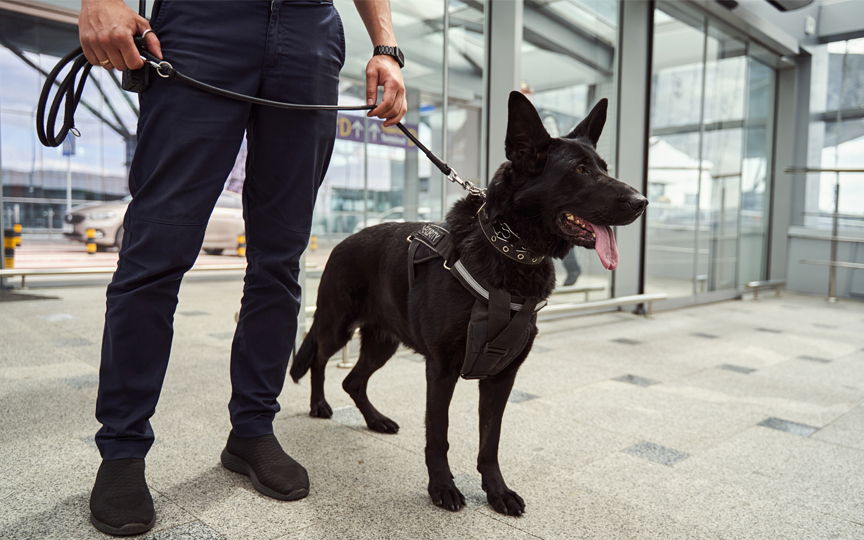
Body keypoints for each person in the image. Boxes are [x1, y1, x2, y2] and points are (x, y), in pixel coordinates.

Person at [78, 0, 407, 535]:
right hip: (204, 21)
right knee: (154, 254)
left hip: (309, 31)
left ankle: (252, 429)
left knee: (280, 260)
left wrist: (386, 47)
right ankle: (122, 449)